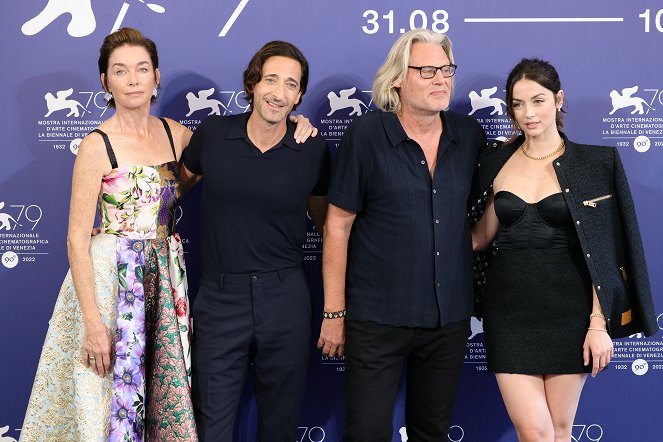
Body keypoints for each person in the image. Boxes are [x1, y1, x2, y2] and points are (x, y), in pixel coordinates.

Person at [20, 27, 198, 441]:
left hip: (164, 275)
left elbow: (221, 160)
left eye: (141, 69)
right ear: (105, 81)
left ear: (157, 76)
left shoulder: (178, 134)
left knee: (160, 390)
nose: (132, 79)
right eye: (120, 71)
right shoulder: (96, 144)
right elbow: (75, 237)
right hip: (110, 280)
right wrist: (93, 323)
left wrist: (297, 125)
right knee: (107, 395)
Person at [470, 58, 658, 441]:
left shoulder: (596, 163)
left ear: (558, 100)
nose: (527, 113)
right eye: (518, 104)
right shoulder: (494, 161)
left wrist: (597, 324)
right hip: (509, 312)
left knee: (558, 430)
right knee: (535, 431)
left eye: (537, 101)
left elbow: (605, 252)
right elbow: (479, 239)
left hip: (570, 313)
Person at [317, 29, 486, 441]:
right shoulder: (367, 135)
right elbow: (337, 224)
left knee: (432, 432)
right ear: (397, 78)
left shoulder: (469, 136)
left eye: (446, 70)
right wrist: (334, 314)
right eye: (427, 70)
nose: (441, 79)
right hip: (377, 318)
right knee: (367, 433)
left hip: (447, 319)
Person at [180, 41, 330, 441]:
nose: (278, 93)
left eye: (291, 85)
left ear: (299, 96)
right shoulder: (213, 134)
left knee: (279, 426)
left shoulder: (311, 147)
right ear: (252, 84)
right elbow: (171, 189)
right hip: (219, 296)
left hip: (285, 298)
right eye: (270, 79)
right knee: (211, 424)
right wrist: (120, 222)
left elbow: (328, 223)